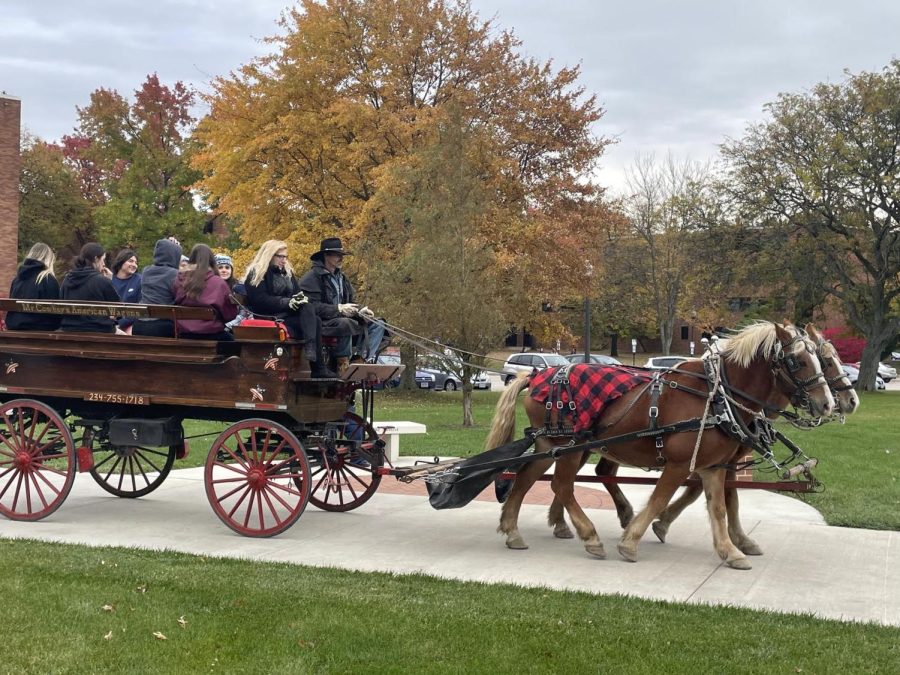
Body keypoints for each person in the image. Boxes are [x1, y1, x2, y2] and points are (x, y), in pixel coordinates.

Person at [244, 240, 336, 378]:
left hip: (287, 315)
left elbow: (297, 294)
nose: (283, 260)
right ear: (269, 255)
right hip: (269, 315)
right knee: (314, 320)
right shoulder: (257, 273)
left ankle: (315, 361)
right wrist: (286, 302)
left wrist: (298, 300)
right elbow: (259, 300)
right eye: (280, 256)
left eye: (285, 256)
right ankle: (317, 366)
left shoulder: (287, 272)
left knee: (310, 310)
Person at [298, 237, 388, 372]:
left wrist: (360, 311)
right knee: (345, 323)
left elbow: (351, 301)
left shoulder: (342, 278)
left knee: (378, 324)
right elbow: (311, 307)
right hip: (321, 324)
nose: (341, 258)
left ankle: (361, 360)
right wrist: (338, 309)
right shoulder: (311, 278)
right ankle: (342, 363)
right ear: (326, 256)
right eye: (336, 255)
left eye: (341, 255)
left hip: (342, 321)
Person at [172, 244, 237, 341]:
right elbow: (229, 314)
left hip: (184, 333)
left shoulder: (179, 279)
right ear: (211, 260)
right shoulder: (218, 283)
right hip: (212, 334)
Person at [59, 242, 122, 334]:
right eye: (103, 260)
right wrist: (109, 281)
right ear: (96, 259)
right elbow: (118, 310)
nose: (104, 264)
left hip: (69, 329)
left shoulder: (67, 279)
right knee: (131, 342)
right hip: (100, 330)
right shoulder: (102, 281)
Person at [6, 242, 62, 331]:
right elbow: (55, 314)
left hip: (14, 328)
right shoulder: (47, 279)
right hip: (39, 331)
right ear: (49, 259)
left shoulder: (17, 279)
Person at [133, 238, 182, 337]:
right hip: (162, 325)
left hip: (140, 323)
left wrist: (169, 245)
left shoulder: (146, 271)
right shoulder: (175, 274)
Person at [215, 253, 251, 331]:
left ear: (231, 270)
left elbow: (245, 312)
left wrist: (228, 326)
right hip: (214, 326)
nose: (224, 270)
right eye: (220, 267)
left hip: (236, 327)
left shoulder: (239, 286)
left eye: (227, 267)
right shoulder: (210, 286)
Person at [110, 248, 142, 331]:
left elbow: (140, 308)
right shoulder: (109, 279)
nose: (134, 265)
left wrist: (120, 324)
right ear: (121, 261)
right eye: (131, 261)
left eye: (136, 263)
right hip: (109, 323)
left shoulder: (139, 280)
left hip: (130, 324)